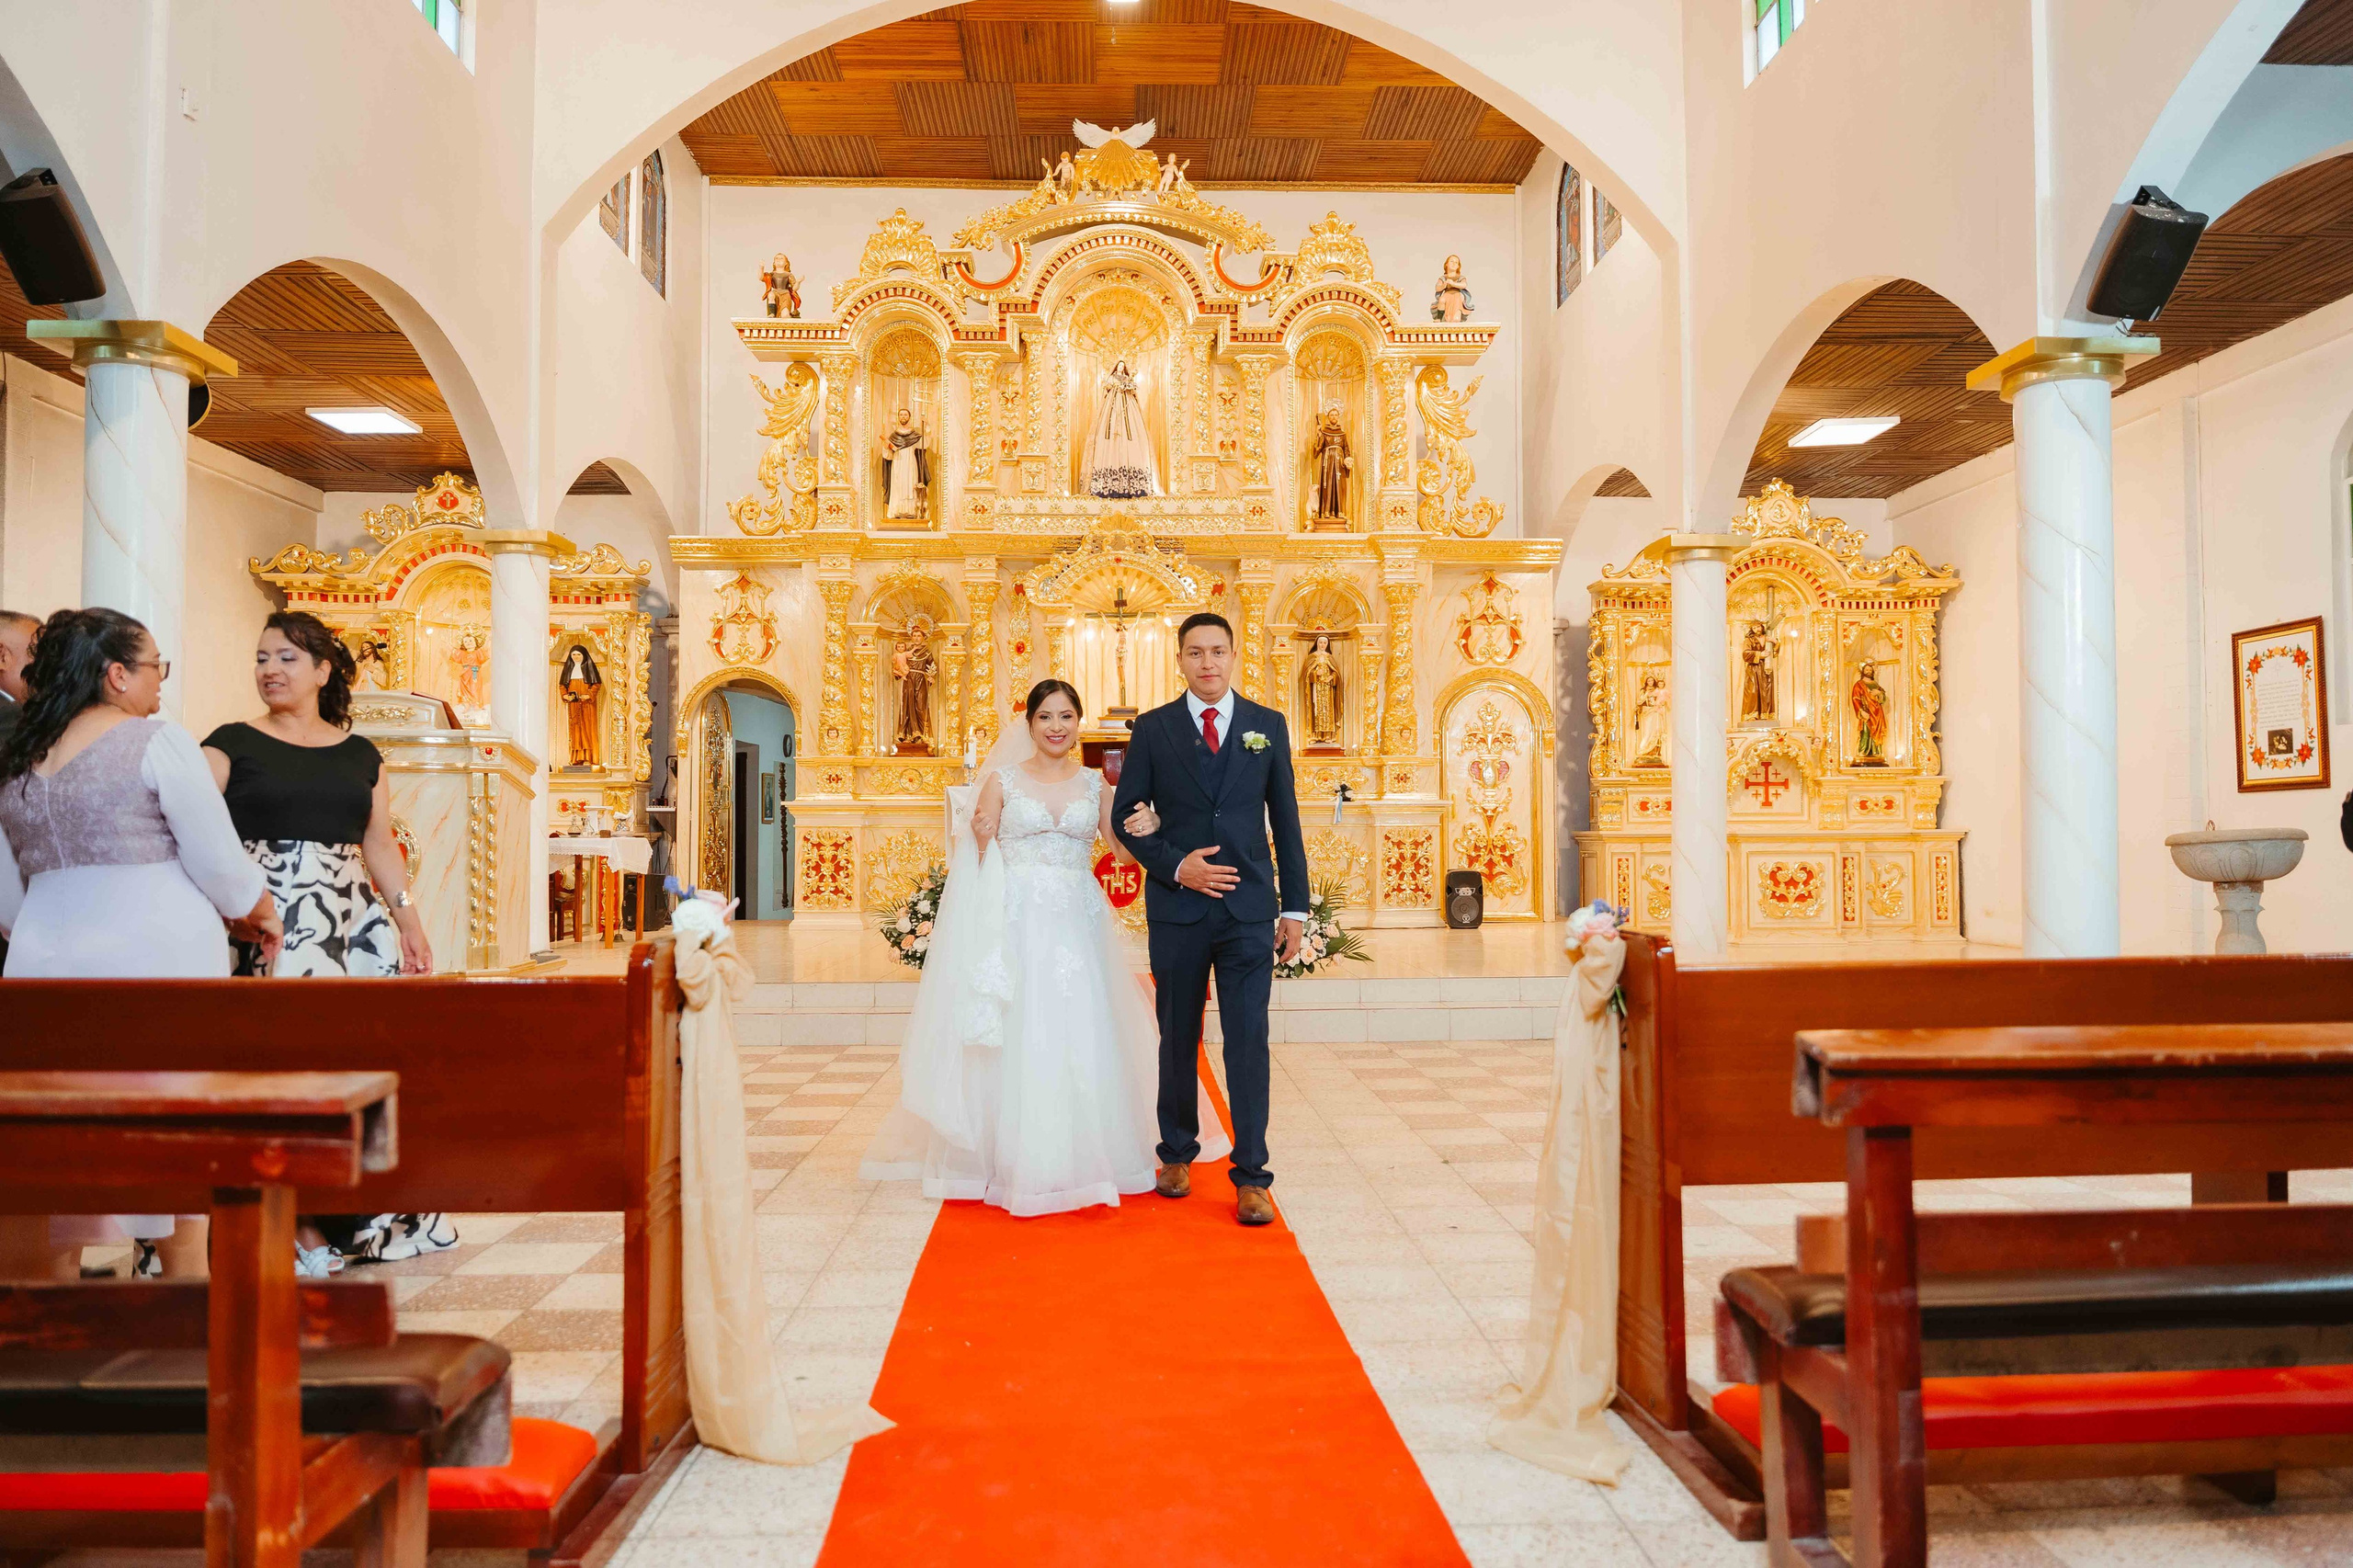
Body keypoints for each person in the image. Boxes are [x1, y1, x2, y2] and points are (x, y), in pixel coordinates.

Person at [860, 679, 1230, 1216]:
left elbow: (1123, 854)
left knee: (1082, 1024)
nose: (1057, 727)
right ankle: (1009, 1155)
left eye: (1066, 717)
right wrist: (979, 837)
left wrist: (1152, 823)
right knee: (1021, 1025)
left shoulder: (1097, 785)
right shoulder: (1001, 781)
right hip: (1017, 920)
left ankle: (1087, 1153)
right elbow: (976, 856)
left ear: (1078, 722)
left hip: (1078, 921)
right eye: (1046, 717)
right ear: (1030, 724)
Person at [0, 607, 283, 1282]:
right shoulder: (158, 741)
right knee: (175, 1135)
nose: (161, 680)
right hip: (158, 961)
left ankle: (50, 1320)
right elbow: (219, 863)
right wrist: (258, 911)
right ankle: (185, 1306)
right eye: (156, 665)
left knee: (58, 1149)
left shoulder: (17, 757)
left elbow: (6, 901)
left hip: (41, 966)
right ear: (117, 674)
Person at [201, 610, 449, 1276]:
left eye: (286, 657)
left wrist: (409, 921)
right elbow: (193, 832)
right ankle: (293, 1220)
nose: (270, 670)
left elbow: (378, 843)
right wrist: (231, 906)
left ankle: (354, 1211)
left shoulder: (360, 754)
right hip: (262, 924)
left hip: (348, 925)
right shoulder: (228, 744)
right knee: (278, 1074)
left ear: (322, 670)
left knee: (353, 1066)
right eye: (262, 658)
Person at [1113, 613, 1310, 1227]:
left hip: (1248, 911)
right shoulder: (1154, 728)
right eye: (1195, 652)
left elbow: (1286, 820)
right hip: (1179, 910)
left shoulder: (1266, 726)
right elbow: (1127, 816)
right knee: (1178, 1034)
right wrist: (1178, 866)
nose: (1207, 662)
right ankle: (1176, 1154)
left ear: (1233, 656)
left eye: (1217, 651)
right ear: (1179, 660)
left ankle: (1252, 1176)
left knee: (1249, 1040)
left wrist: (1294, 908)